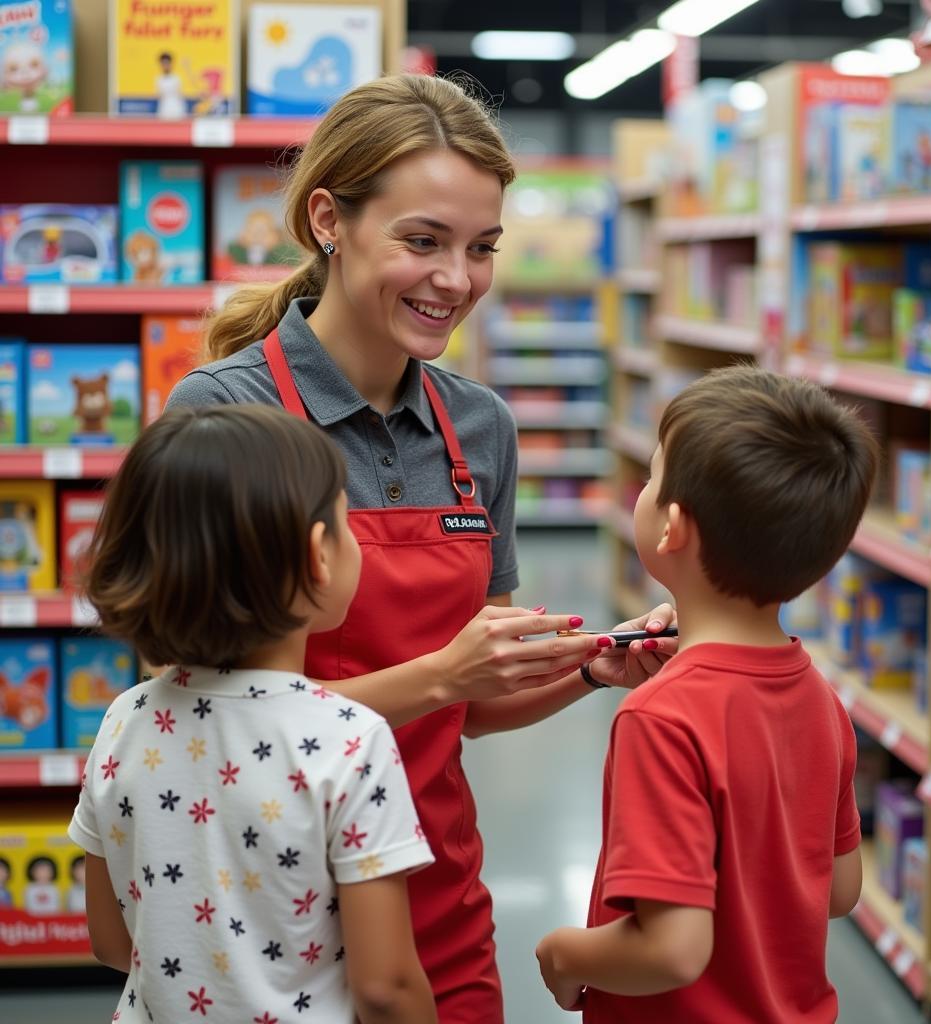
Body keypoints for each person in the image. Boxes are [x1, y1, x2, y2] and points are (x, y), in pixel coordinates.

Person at [165, 73, 675, 1022]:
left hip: (435, 891)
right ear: (329, 219)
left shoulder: (477, 427)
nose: (457, 280)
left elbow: (466, 711)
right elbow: (198, 723)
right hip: (260, 913)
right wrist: (442, 676)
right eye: (423, 241)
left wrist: (596, 670)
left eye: (481, 248)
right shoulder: (223, 415)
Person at [68, 405, 438, 1024]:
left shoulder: (123, 720)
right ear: (319, 555)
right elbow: (386, 987)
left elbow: (110, 941)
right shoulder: (349, 739)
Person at [536, 365, 879, 1023]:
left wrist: (565, 953)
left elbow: (672, 952)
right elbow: (840, 891)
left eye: (653, 476)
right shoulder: (823, 703)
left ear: (672, 528)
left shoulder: (660, 718)